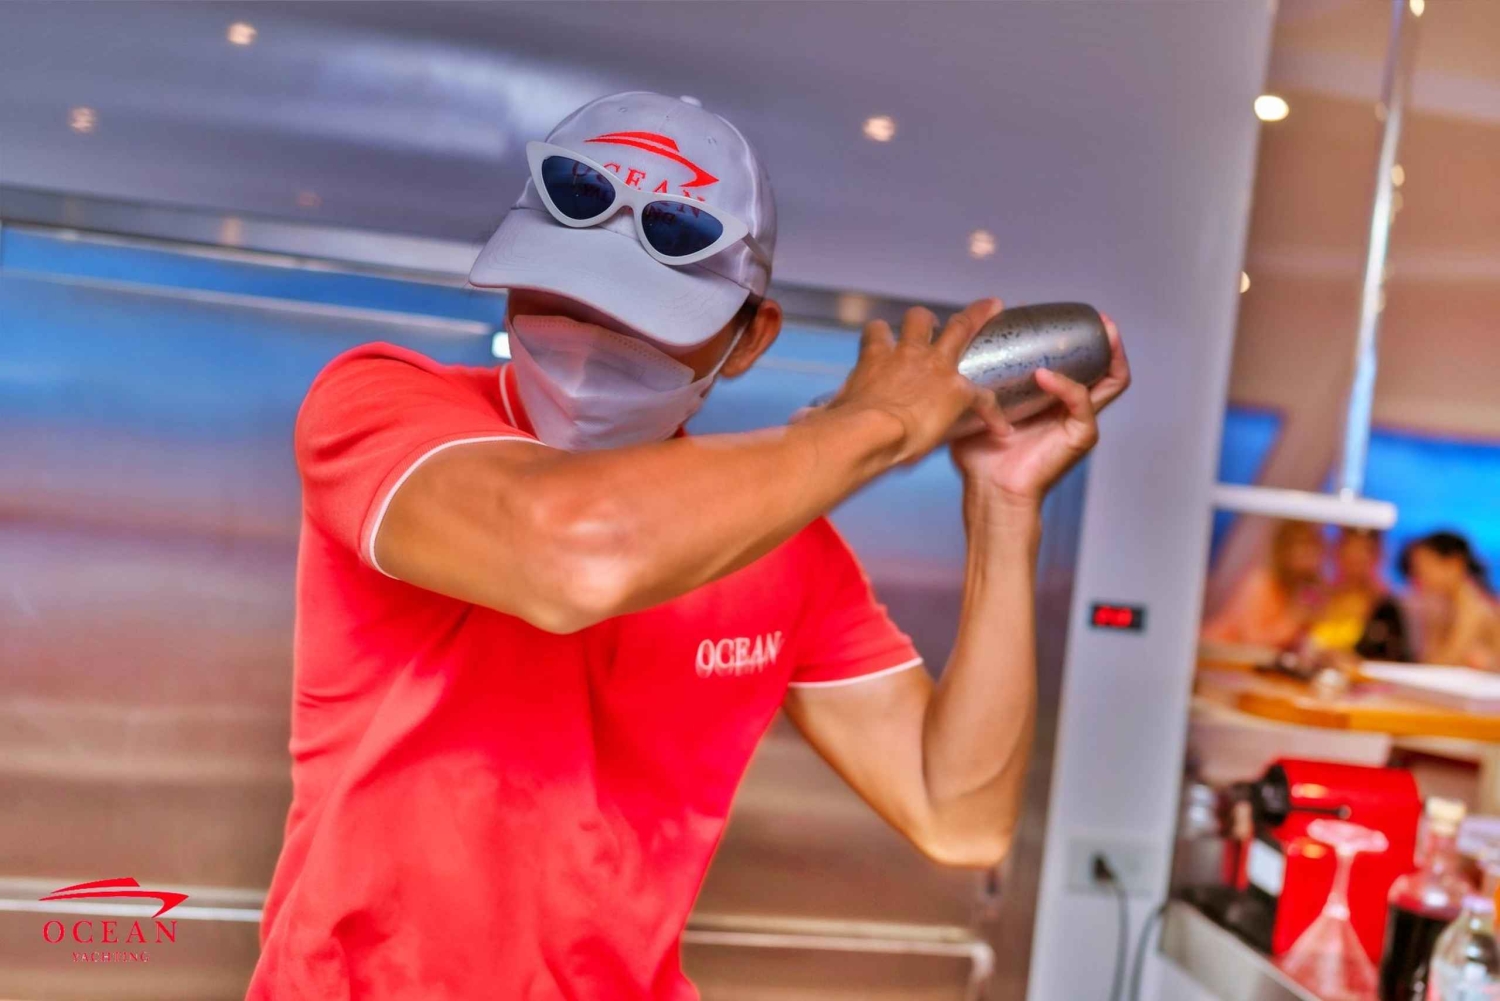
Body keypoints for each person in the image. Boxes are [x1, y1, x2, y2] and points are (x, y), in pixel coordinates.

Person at [246, 92, 1129, 1000]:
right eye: (564, 292)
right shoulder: (381, 406)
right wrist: (881, 424)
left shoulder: (785, 548)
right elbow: (575, 557)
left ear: (749, 340)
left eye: (641, 310)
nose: (590, 333)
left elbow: (960, 814)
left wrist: (1003, 508)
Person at [1203, 519, 1326, 649]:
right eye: (1303, 548)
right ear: (1284, 551)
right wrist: (1294, 618)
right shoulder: (1261, 583)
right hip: (1217, 650)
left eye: (1314, 549)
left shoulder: (1303, 590)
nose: (1310, 556)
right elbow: (1251, 640)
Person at [1400, 531, 1499, 670]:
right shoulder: (1446, 606)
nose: (1420, 575)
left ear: (1455, 563)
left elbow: (1444, 663)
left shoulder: (1477, 609)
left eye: (1427, 565)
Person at [1310, 528, 1410, 661]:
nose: (1355, 558)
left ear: (1376, 557)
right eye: (1349, 550)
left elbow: (1391, 657)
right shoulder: (1317, 597)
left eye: (1363, 551)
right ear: (1337, 552)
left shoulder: (1386, 607)